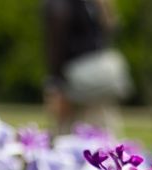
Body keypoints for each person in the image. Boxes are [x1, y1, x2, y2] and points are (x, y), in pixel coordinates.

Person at [42, 0, 129, 133]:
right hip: (76, 81)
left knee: (87, 134)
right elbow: (57, 45)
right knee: (75, 134)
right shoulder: (63, 5)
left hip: (88, 82)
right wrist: (57, 86)